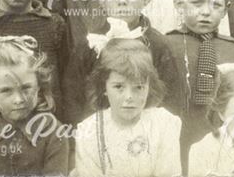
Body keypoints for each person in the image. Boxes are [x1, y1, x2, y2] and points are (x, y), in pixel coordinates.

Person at [62, 0, 183, 124]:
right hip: (98, 133)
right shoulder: (91, 43)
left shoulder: (158, 45)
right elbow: (73, 96)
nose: (122, 1)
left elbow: (170, 99)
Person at [163, 0, 234, 164]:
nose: (206, 12)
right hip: (174, 137)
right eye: (197, 3)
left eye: (216, 5)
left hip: (220, 141)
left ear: (226, 9)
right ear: (179, 4)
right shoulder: (164, 45)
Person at [0, 36, 69, 177]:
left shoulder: (54, 133)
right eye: (6, 90)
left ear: (39, 86)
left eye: (26, 88)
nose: (18, 100)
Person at [73, 39, 182, 177]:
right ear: (104, 86)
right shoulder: (89, 130)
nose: (129, 97)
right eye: (119, 87)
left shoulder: (164, 124)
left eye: (138, 87)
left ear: (149, 87)